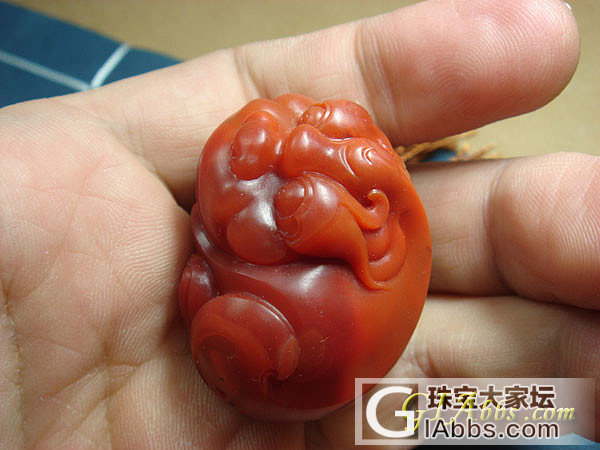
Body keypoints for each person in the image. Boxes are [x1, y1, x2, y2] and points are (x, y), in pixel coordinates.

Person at [0, 0, 596, 448]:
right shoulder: (262, 200)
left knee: (527, 407)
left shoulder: (307, 197)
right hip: (278, 339)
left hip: (301, 339)